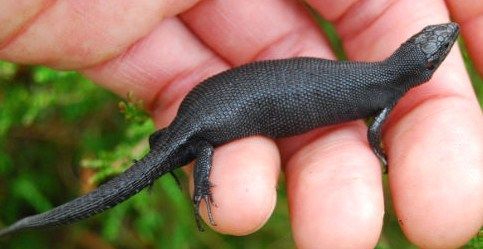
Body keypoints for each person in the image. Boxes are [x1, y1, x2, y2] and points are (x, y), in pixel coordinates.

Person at [1, 1, 481, 248]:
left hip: (201, 114)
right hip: (203, 124)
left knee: (171, 145)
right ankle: (191, 179)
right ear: (423, 68)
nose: (442, 42)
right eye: (436, 46)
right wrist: (377, 151)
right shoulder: (387, 91)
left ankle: (170, 163)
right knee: (188, 145)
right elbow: (375, 131)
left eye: (434, 46)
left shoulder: (383, 80)